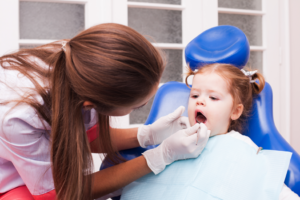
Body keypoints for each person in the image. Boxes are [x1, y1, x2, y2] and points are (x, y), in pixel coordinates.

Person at [0, 23, 211, 200]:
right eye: (138, 106)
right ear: (90, 104)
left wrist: (148, 134)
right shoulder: (18, 117)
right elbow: (56, 193)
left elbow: (90, 136)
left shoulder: (80, 62)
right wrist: (159, 157)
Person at [120, 63, 300, 200]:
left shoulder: (241, 147)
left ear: (235, 111)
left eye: (213, 97)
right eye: (195, 95)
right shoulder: (174, 144)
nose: (200, 101)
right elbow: (137, 184)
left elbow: (273, 189)